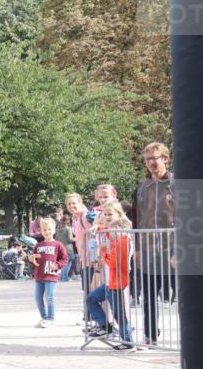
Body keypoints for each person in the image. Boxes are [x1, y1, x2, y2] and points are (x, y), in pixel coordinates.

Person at [131, 142, 175, 346]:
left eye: (155, 158)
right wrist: (137, 248)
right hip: (148, 248)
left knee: (185, 297)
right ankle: (150, 335)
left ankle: (193, 337)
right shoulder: (141, 187)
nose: (151, 162)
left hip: (174, 248)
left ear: (165, 158)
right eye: (148, 159)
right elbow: (136, 218)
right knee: (149, 296)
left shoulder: (177, 184)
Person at [85, 201, 134, 344]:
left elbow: (115, 262)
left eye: (109, 214)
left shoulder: (123, 237)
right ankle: (105, 326)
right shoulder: (112, 231)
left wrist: (104, 253)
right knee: (91, 299)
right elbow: (105, 228)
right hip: (109, 281)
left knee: (119, 314)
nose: (106, 216)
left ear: (119, 214)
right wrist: (98, 225)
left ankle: (128, 341)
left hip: (117, 281)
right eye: (104, 214)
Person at [29, 218, 69, 327]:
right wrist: (31, 259)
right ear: (41, 231)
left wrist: (57, 265)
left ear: (54, 230)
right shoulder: (38, 245)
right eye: (45, 230)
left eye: (50, 229)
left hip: (51, 275)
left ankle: (51, 319)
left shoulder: (58, 245)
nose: (47, 232)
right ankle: (44, 318)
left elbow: (65, 259)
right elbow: (33, 261)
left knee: (49, 297)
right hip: (39, 276)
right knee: (37, 298)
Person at [54, 214, 76, 282]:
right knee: (68, 263)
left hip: (60, 248)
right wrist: (77, 238)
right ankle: (65, 278)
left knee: (64, 263)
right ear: (68, 220)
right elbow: (70, 239)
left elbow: (56, 239)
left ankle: (63, 277)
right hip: (68, 248)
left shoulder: (57, 229)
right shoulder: (68, 229)